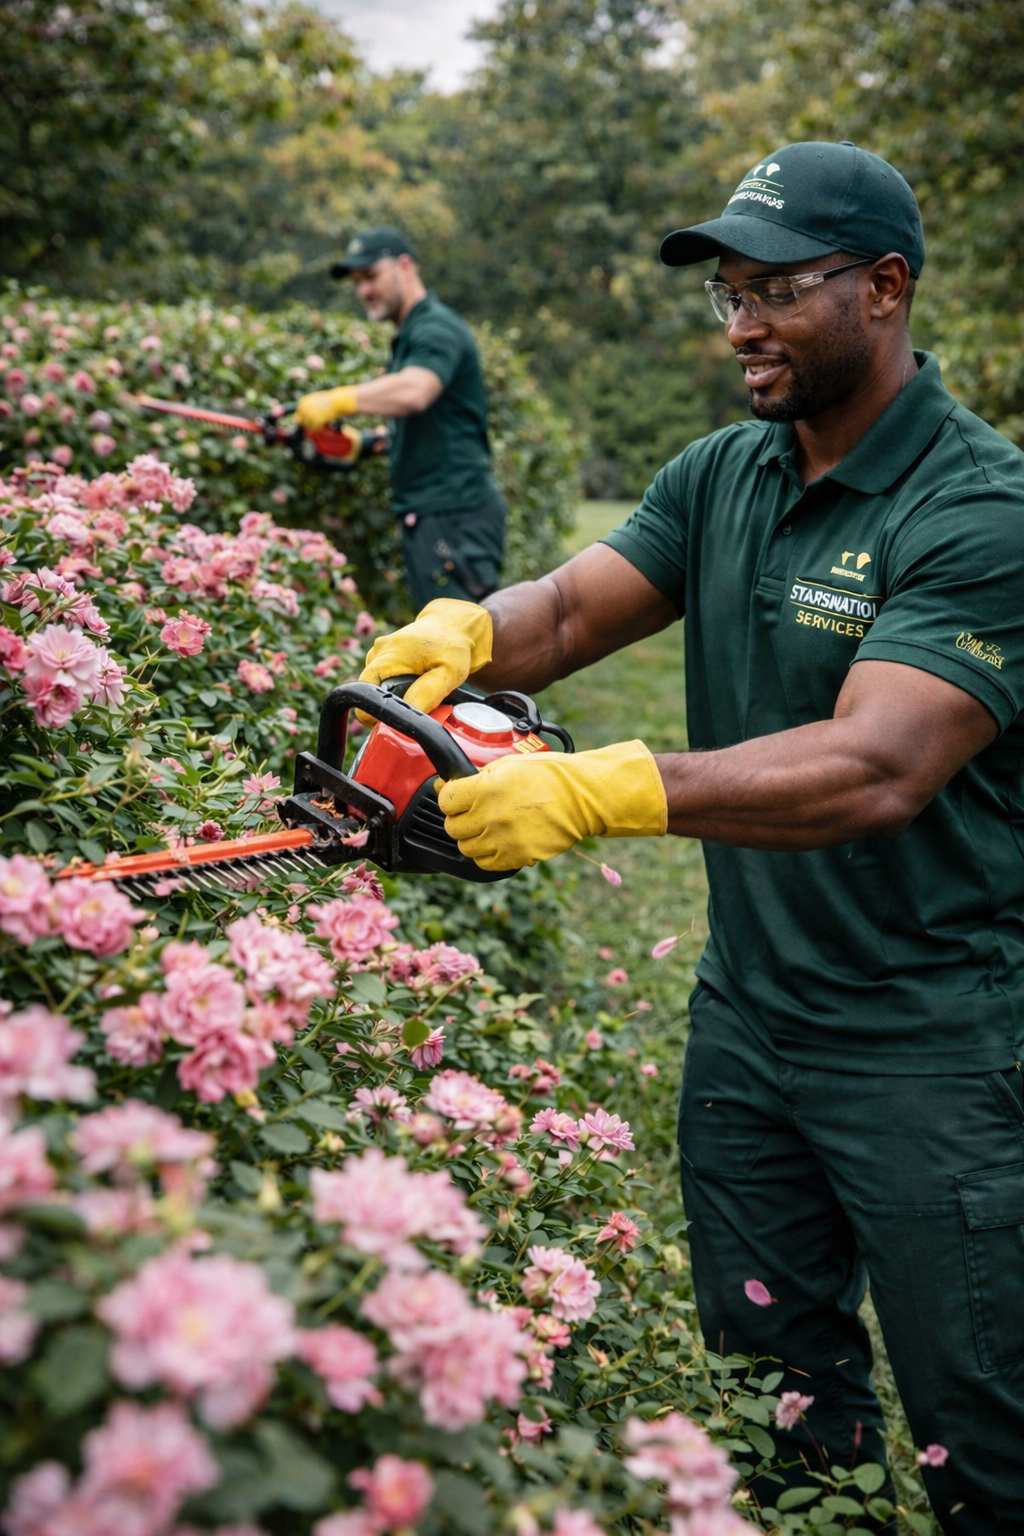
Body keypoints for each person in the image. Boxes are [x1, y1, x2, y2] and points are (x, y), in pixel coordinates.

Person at [357, 143, 1024, 1534]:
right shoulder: (726, 471)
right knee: (777, 1400)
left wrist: (601, 788)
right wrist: (469, 632)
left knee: (984, 1429)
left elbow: (877, 765)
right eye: (728, 294)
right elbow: (570, 610)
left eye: (776, 290)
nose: (742, 327)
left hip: (933, 1042)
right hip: (749, 1022)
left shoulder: (979, 508)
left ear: (883, 287)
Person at [295, 225, 507, 611]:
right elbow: (438, 425)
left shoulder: (436, 328)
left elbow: (415, 391)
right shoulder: (411, 333)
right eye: (357, 282)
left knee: (459, 639)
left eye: (371, 276)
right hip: (437, 514)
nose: (364, 290)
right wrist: (364, 444)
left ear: (405, 265)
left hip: (453, 515)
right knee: (451, 635)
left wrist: (338, 400)